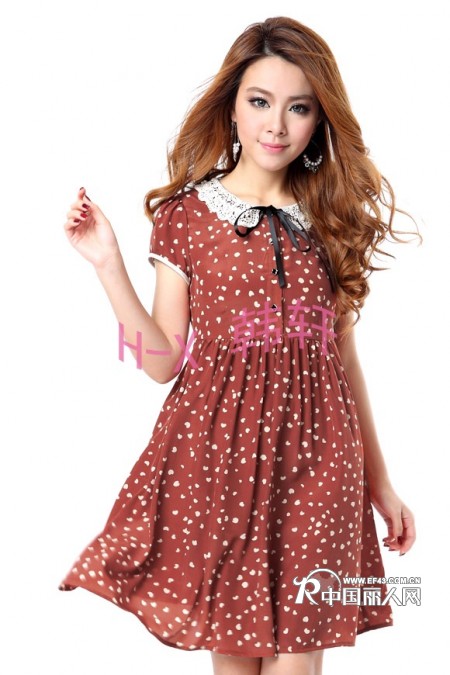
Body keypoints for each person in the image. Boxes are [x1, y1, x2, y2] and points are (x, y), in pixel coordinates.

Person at [60, 16, 419, 675]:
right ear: (232, 106)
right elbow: (162, 360)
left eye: (299, 108)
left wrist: (381, 482)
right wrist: (108, 264)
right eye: (260, 102)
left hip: (321, 459)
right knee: (236, 662)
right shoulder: (187, 217)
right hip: (219, 462)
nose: (276, 125)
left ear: (319, 120)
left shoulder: (332, 218)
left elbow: (344, 359)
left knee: (298, 660)